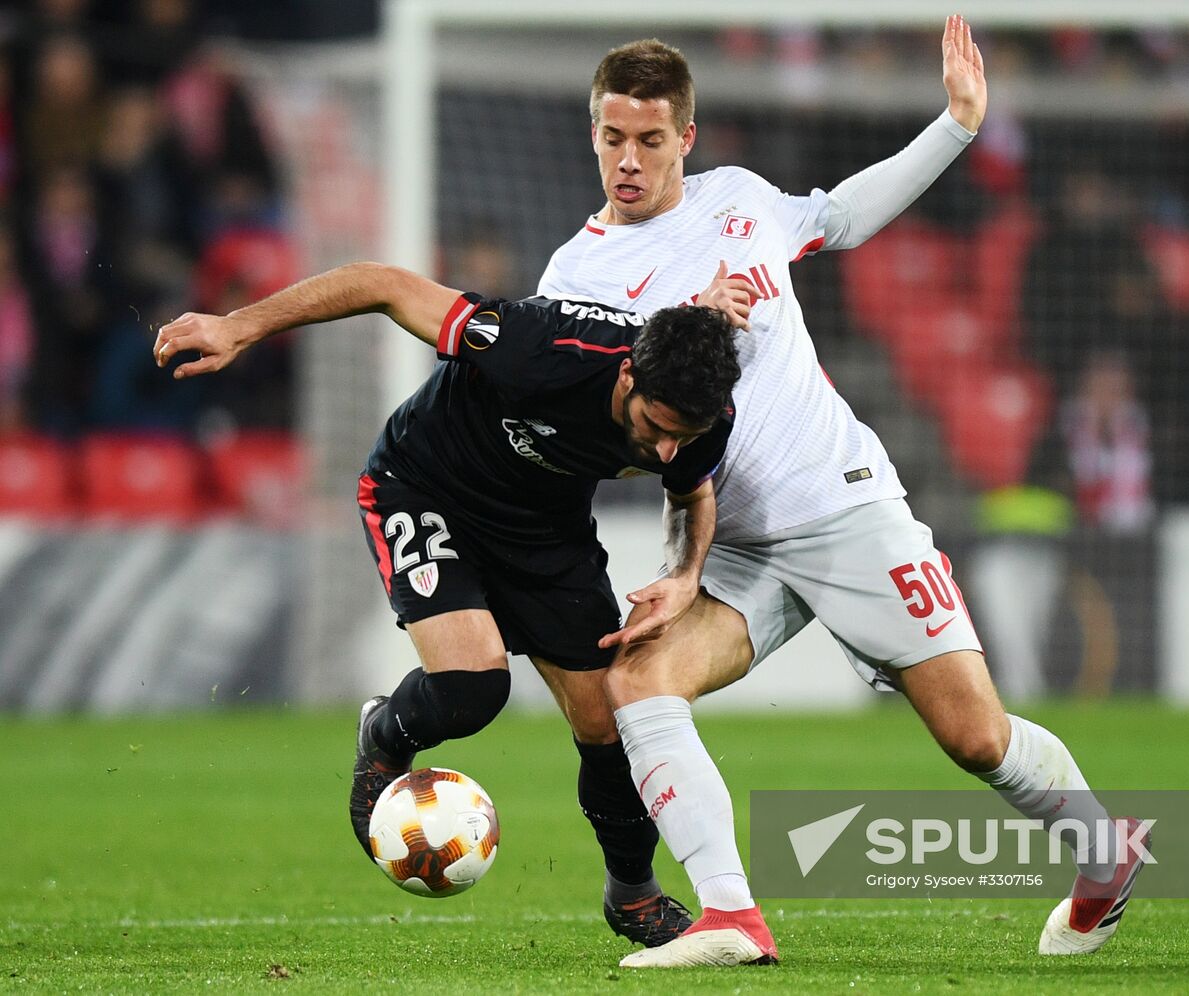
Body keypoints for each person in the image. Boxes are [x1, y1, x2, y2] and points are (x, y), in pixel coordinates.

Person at [538, 16, 1149, 968]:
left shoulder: (738, 199)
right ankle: (732, 918)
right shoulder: (572, 278)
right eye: (612, 137)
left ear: (685, 140)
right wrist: (683, 334)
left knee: (976, 737)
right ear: (593, 133)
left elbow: (842, 217)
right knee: (638, 682)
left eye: (650, 140)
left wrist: (955, 126)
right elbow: (610, 433)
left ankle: (1106, 856)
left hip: (847, 505)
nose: (628, 159)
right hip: (729, 541)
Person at [151, 260, 745, 947]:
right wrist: (239, 325)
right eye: (657, 425)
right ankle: (384, 734)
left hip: (546, 536)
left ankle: (632, 896)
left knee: (610, 725)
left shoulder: (706, 417)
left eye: (685, 435)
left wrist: (683, 573)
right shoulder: (541, 347)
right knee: (472, 688)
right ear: (626, 377)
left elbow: (691, 493)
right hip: (426, 488)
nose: (667, 446)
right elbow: (384, 285)